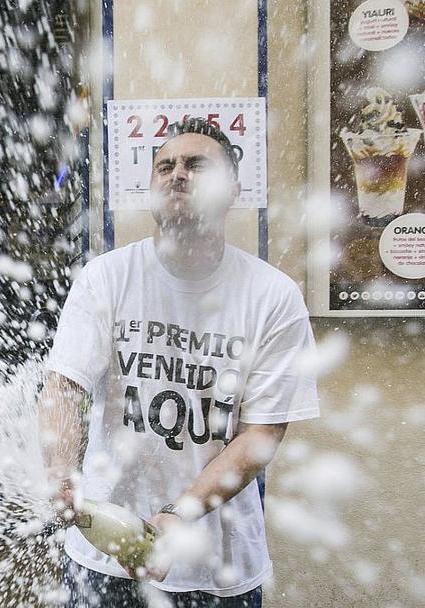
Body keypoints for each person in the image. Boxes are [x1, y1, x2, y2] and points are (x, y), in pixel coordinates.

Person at [39, 118, 320, 607]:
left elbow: (263, 432)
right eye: (164, 165)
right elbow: (66, 387)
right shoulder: (106, 277)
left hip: (218, 565)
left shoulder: (272, 296)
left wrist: (178, 514)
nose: (177, 174)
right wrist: (63, 474)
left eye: (196, 165)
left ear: (232, 189)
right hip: (105, 552)